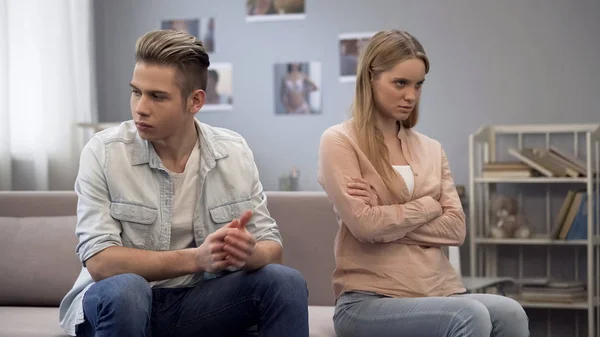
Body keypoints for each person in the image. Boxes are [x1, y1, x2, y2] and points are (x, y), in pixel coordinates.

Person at [58, 29, 309, 337]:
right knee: (128, 289)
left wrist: (247, 253)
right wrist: (197, 259)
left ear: (195, 101)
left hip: (196, 305)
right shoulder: (104, 152)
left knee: (285, 281)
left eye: (157, 96)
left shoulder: (233, 152)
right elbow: (101, 263)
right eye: (136, 92)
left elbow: (272, 249)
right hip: (118, 303)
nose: (141, 107)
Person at [318, 30, 529, 337]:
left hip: (437, 291)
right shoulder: (339, 141)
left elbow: (456, 228)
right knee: (469, 316)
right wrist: (429, 207)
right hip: (367, 300)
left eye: (418, 85)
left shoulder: (431, 148)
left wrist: (385, 215)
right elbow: (365, 226)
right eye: (400, 83)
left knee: (511, 313)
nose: (411, 96)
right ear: (370, 79)